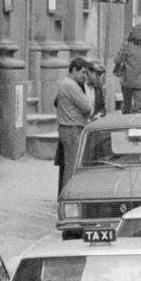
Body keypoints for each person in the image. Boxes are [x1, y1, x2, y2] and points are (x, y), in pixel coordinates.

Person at [54, 56, 94, 192]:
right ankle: (68, 195)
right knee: (72, 166)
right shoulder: (70, 85)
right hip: (72, 129)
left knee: (71, 165)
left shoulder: (66, 83)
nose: (84, 76)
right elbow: (88, 106)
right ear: (74, 70)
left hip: (69, 128)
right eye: (82, 72)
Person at [113, 25, 141, 114]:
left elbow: (116, 60)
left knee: (127, 107)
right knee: (138, 108)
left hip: (127, 82)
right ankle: (137, 126)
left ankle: (126, 125)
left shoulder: (126, 45)